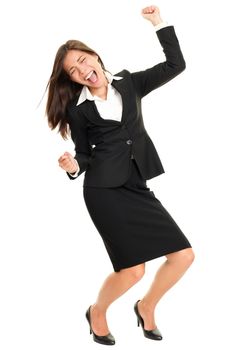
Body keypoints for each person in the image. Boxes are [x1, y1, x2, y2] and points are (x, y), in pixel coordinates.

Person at [45, 4, 195, 346]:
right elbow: (83, 154)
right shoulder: (77, 110)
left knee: (183, 255)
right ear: (72, 79)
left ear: (95, 57)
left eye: (83, 60)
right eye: (73, 70)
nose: (82, 70)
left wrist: (159, 23)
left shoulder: (130, 83)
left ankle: (146, 306)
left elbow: (176, 65)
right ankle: (97, 312)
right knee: (133, 270)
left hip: (136, 184)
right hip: (103, 191)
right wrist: (73, 167)